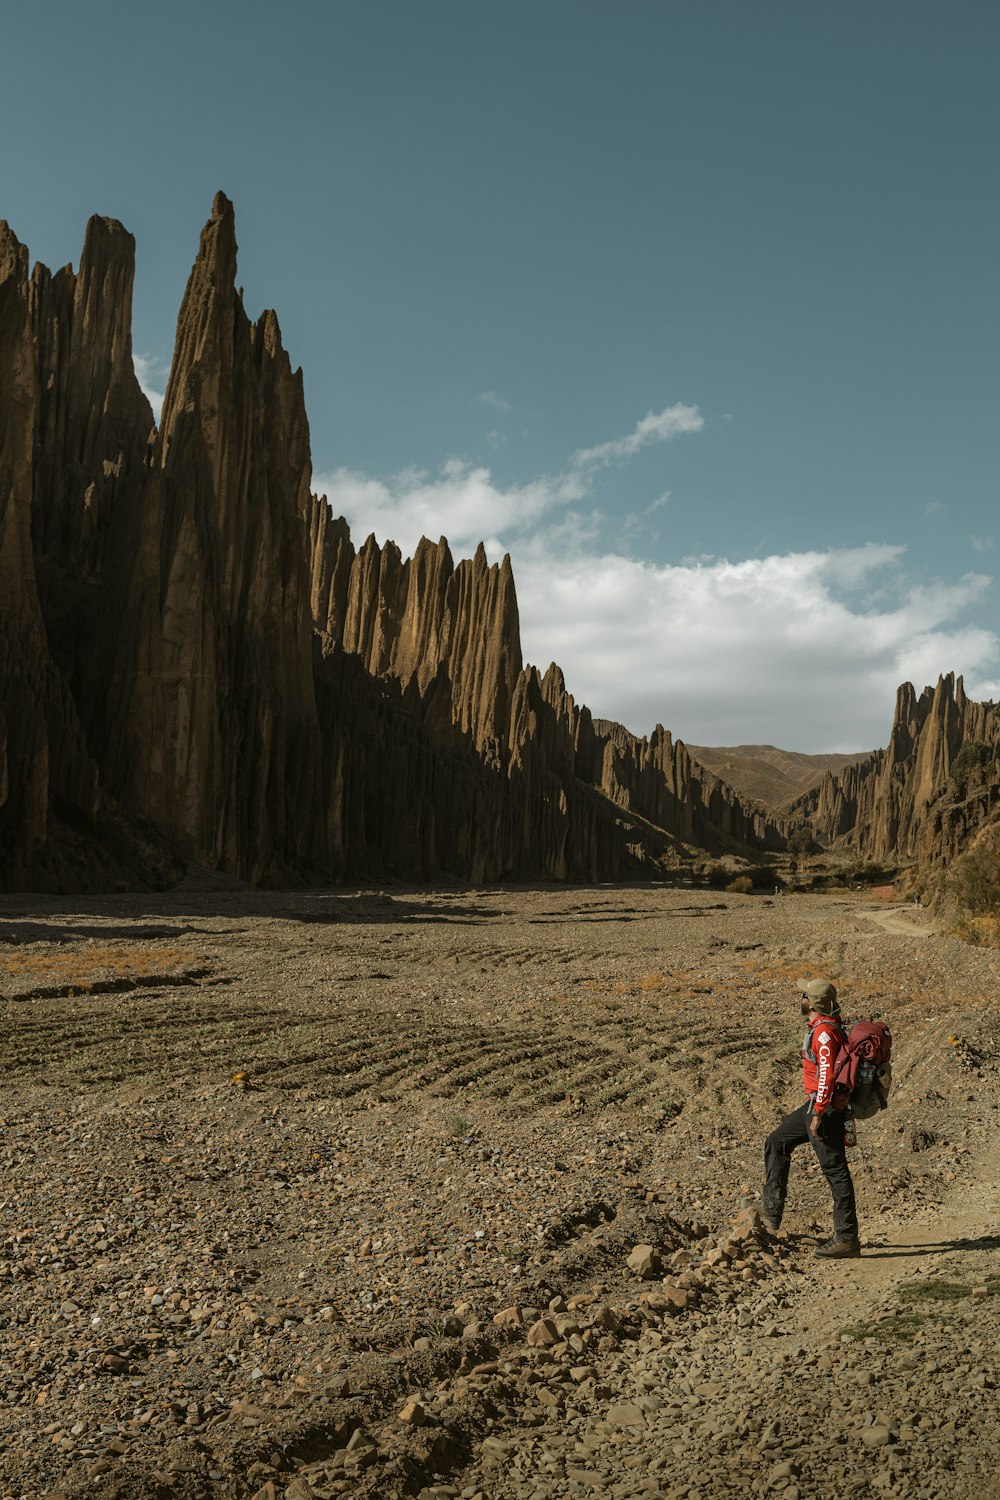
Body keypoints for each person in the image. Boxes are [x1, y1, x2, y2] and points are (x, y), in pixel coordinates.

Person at [760, 977, 860, 1258]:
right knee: (777, 1141)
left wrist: (817, 1114)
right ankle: (770, 1212)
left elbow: (827, 1073)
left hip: (824, 1110)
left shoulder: (824, 1033)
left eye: (804, 994)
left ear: (811, 1002)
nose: (800, 997)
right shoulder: (820, 1028)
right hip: (815, 1105)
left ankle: (847, 1238)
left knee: (835, 1170)